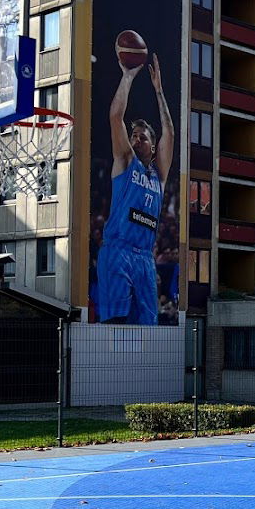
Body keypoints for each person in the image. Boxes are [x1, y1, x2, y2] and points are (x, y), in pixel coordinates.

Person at [98, 46, 174, 325]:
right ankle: (110, 367)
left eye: (142, 136)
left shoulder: (158, 175)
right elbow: (115, 117)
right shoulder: (124, 161)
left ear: (153, 146)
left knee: (147, 327)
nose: (136, 139)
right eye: (134, 135)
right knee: (115, 324)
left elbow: (170, 132)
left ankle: (140, 369)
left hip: (145, 257)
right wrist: (128, 77)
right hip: (117, 249)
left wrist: (159, 91)